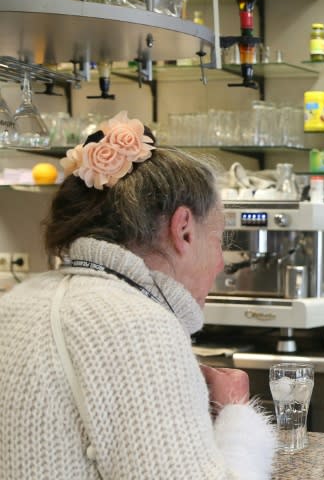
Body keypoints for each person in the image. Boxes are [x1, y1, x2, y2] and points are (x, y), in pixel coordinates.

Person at [0, 111, 276, 479]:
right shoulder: (140, 327)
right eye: (219, 240)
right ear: (184, 230)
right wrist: (236, 415)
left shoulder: (16, 301)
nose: (219, 265)